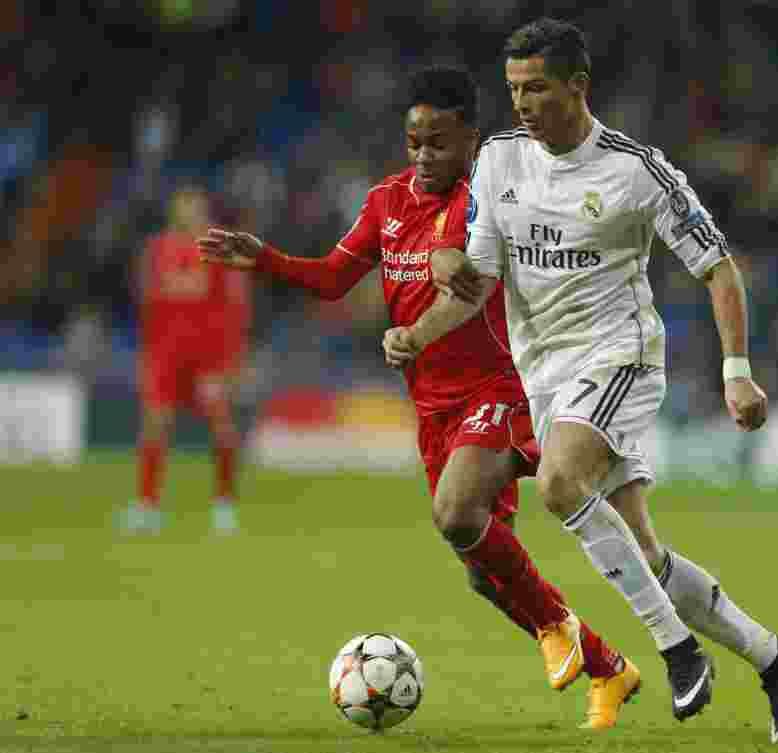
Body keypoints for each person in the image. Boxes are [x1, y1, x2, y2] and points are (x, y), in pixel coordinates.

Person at [383, 20, 778, 742]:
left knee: (558, 483)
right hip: (545, 372)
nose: (521, 103)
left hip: (620, 357)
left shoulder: (636, 171)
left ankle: (677, 652)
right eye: (514, 89)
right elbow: (479, 277)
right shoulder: (498, 161)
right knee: (644, 552)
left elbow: (716, 266)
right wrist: (415, 335)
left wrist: (736, 372)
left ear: (578, 87)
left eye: (537, 89)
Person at [199, 66, 639, 730]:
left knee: (457, 510)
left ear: (469, 137)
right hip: (433, 408)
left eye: (438, 142)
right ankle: (608, 666)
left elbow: (459, 265)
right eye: (414, 143)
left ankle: (559, 620)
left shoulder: (489, 197)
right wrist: (264, 258)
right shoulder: (385, 202)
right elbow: (330, 279)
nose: (425, 156)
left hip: (501, 389)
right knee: (483, 572)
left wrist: (433, 288)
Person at [124, 185, 250, 534]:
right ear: (174, 211)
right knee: (154, 425)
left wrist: (231, 362)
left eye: (195, 207)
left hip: (207, 358)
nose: (189, 213)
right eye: (184, 207)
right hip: (164, 356)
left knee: (222, 430)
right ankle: (147, 507)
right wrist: (146, 356)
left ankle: (224, 506)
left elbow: (235, 310)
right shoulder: (157, 249)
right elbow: (148, 306)